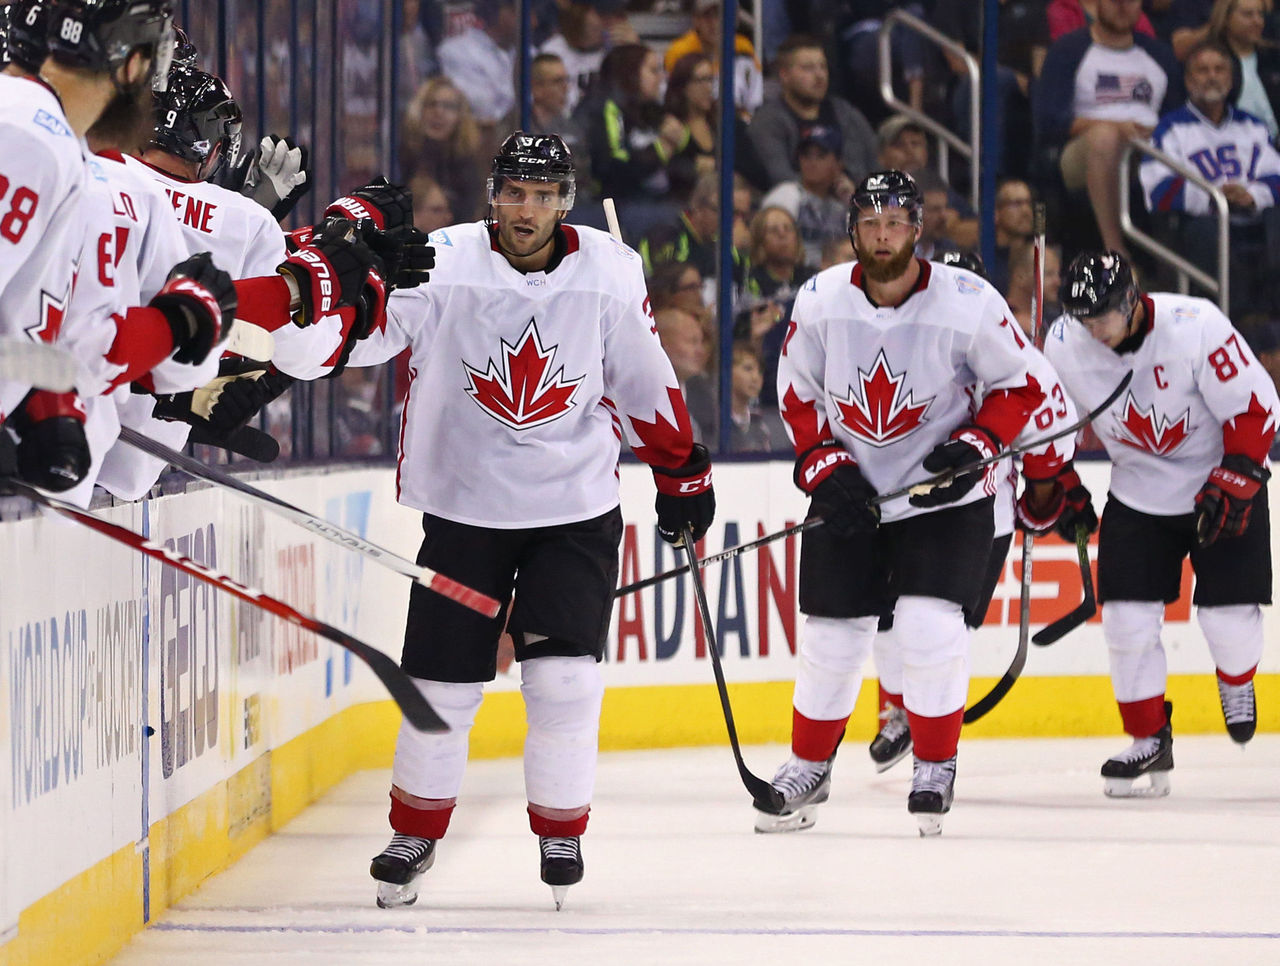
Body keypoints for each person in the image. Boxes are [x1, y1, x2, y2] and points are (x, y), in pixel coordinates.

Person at [309, 132, 715, 910]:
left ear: (564, 200)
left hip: (574, 510)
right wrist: (340, 284)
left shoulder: (609, 270)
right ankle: (416, 831)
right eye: (513, 193)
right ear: (492, 193)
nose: (524, 210)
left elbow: (643, 376)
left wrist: (681, 471)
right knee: (439, 686)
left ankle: (560, 829)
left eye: (542, 195)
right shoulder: (443, 259)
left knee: (564, 683)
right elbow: (363, 340)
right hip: (465, 509)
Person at [761, 170, 1045, 836]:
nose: (881, 235)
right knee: (832, 637)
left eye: (894, 223)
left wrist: (978, 445)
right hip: (851, 495)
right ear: (852, 228)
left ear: (916, 229)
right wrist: (827, 470)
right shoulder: (821, 298)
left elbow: (1018, 385)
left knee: (928, 626)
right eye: (869, 223)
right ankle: (810, 763)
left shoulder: (969, 299)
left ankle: (936, 765)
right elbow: (798, 395)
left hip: (944, 497)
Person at [1044, 251, 1278, 796]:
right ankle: (1148, 739)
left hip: (1215, 482)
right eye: (1082, 318)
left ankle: (1237, 680)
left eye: (1101, 315)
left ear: (1131, 300)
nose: (1091, 330)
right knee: (1125, 622)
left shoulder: (1195, 326)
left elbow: (1255, 405)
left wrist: (1237, 476)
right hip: (1137, 490)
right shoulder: (1063, 342)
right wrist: (1058, 482)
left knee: (1227, 622)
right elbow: (1050, 421)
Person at [0, 0, 237, 498]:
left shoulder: (55, 139)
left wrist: (41, 404)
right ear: (131, 65)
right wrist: (176, 323)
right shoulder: (27, 130)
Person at [866, 248, 1079, 774]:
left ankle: (928, 729)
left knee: (941, 627)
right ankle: (899, 709)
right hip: (897, 505)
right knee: (883, 617)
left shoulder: (1023, 363)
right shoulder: (902, 338)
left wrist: (1046, 496)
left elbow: (1049, 448)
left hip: (981, 517)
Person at [1140, 38, 1280, 320]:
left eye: (1219, 69)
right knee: (1205, 232)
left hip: (1255, 218)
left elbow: (1276, 176)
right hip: (1205, 223)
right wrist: (1214, 197)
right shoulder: (1170, 128)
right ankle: (1239, 321)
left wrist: (1251, 195)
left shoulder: (1252, 125)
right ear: (1189, 80)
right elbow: (1157, 190)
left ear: (1231, 78)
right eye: (1202, 70)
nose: (1212, 76)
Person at [1034, 0, 1183, 257]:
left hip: (1148, 147)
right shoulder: (1068, 50)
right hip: (1082, 146)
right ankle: (1114, 247)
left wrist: (1153, 132)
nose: (1123, 6)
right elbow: (1050, 120)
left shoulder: (1160, 54)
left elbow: (1179, 117)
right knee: (1106, 138)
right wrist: (1116, 128)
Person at [747, 34, 877, 189]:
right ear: (784, 75)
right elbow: (781, 180)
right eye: (808, 68)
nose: (820, 75)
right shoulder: (767, 122)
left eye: (823, 67)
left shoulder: (844, 113)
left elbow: (873, 165)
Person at [759, 124, 856, 266]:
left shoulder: (842, 206)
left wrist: (854, 203)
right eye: (806, 155)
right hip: (792, 277)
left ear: (838, 164)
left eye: (821, 155)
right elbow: (765, 246)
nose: (812, 162)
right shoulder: (786, 195)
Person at [663, 0, 763, 115]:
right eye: (707, 16)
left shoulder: (744, 48)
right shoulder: (679, 52)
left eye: (720, 15)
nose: (714, 24)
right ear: (696, 20)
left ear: (734, 19)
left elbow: (754, 102)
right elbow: (671, 100)